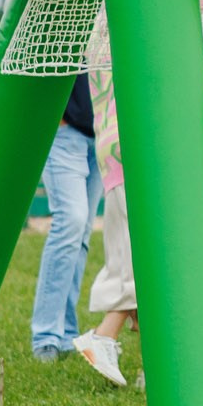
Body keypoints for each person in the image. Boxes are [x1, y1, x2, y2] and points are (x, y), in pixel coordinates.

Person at [29, 72, 101, 362]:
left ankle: (67, 332)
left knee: (81, 231)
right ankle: (46, 336)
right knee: (70, 220)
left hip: (101, 135)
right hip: (65, 133)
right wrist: (57, 115)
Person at [73, 37, 133, 386]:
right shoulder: (124, 17)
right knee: (140, 259)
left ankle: (156, 365)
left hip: (113, 143)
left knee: (129, 251)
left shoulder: (101, 26)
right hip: (133, 145)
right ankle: (104, 336)